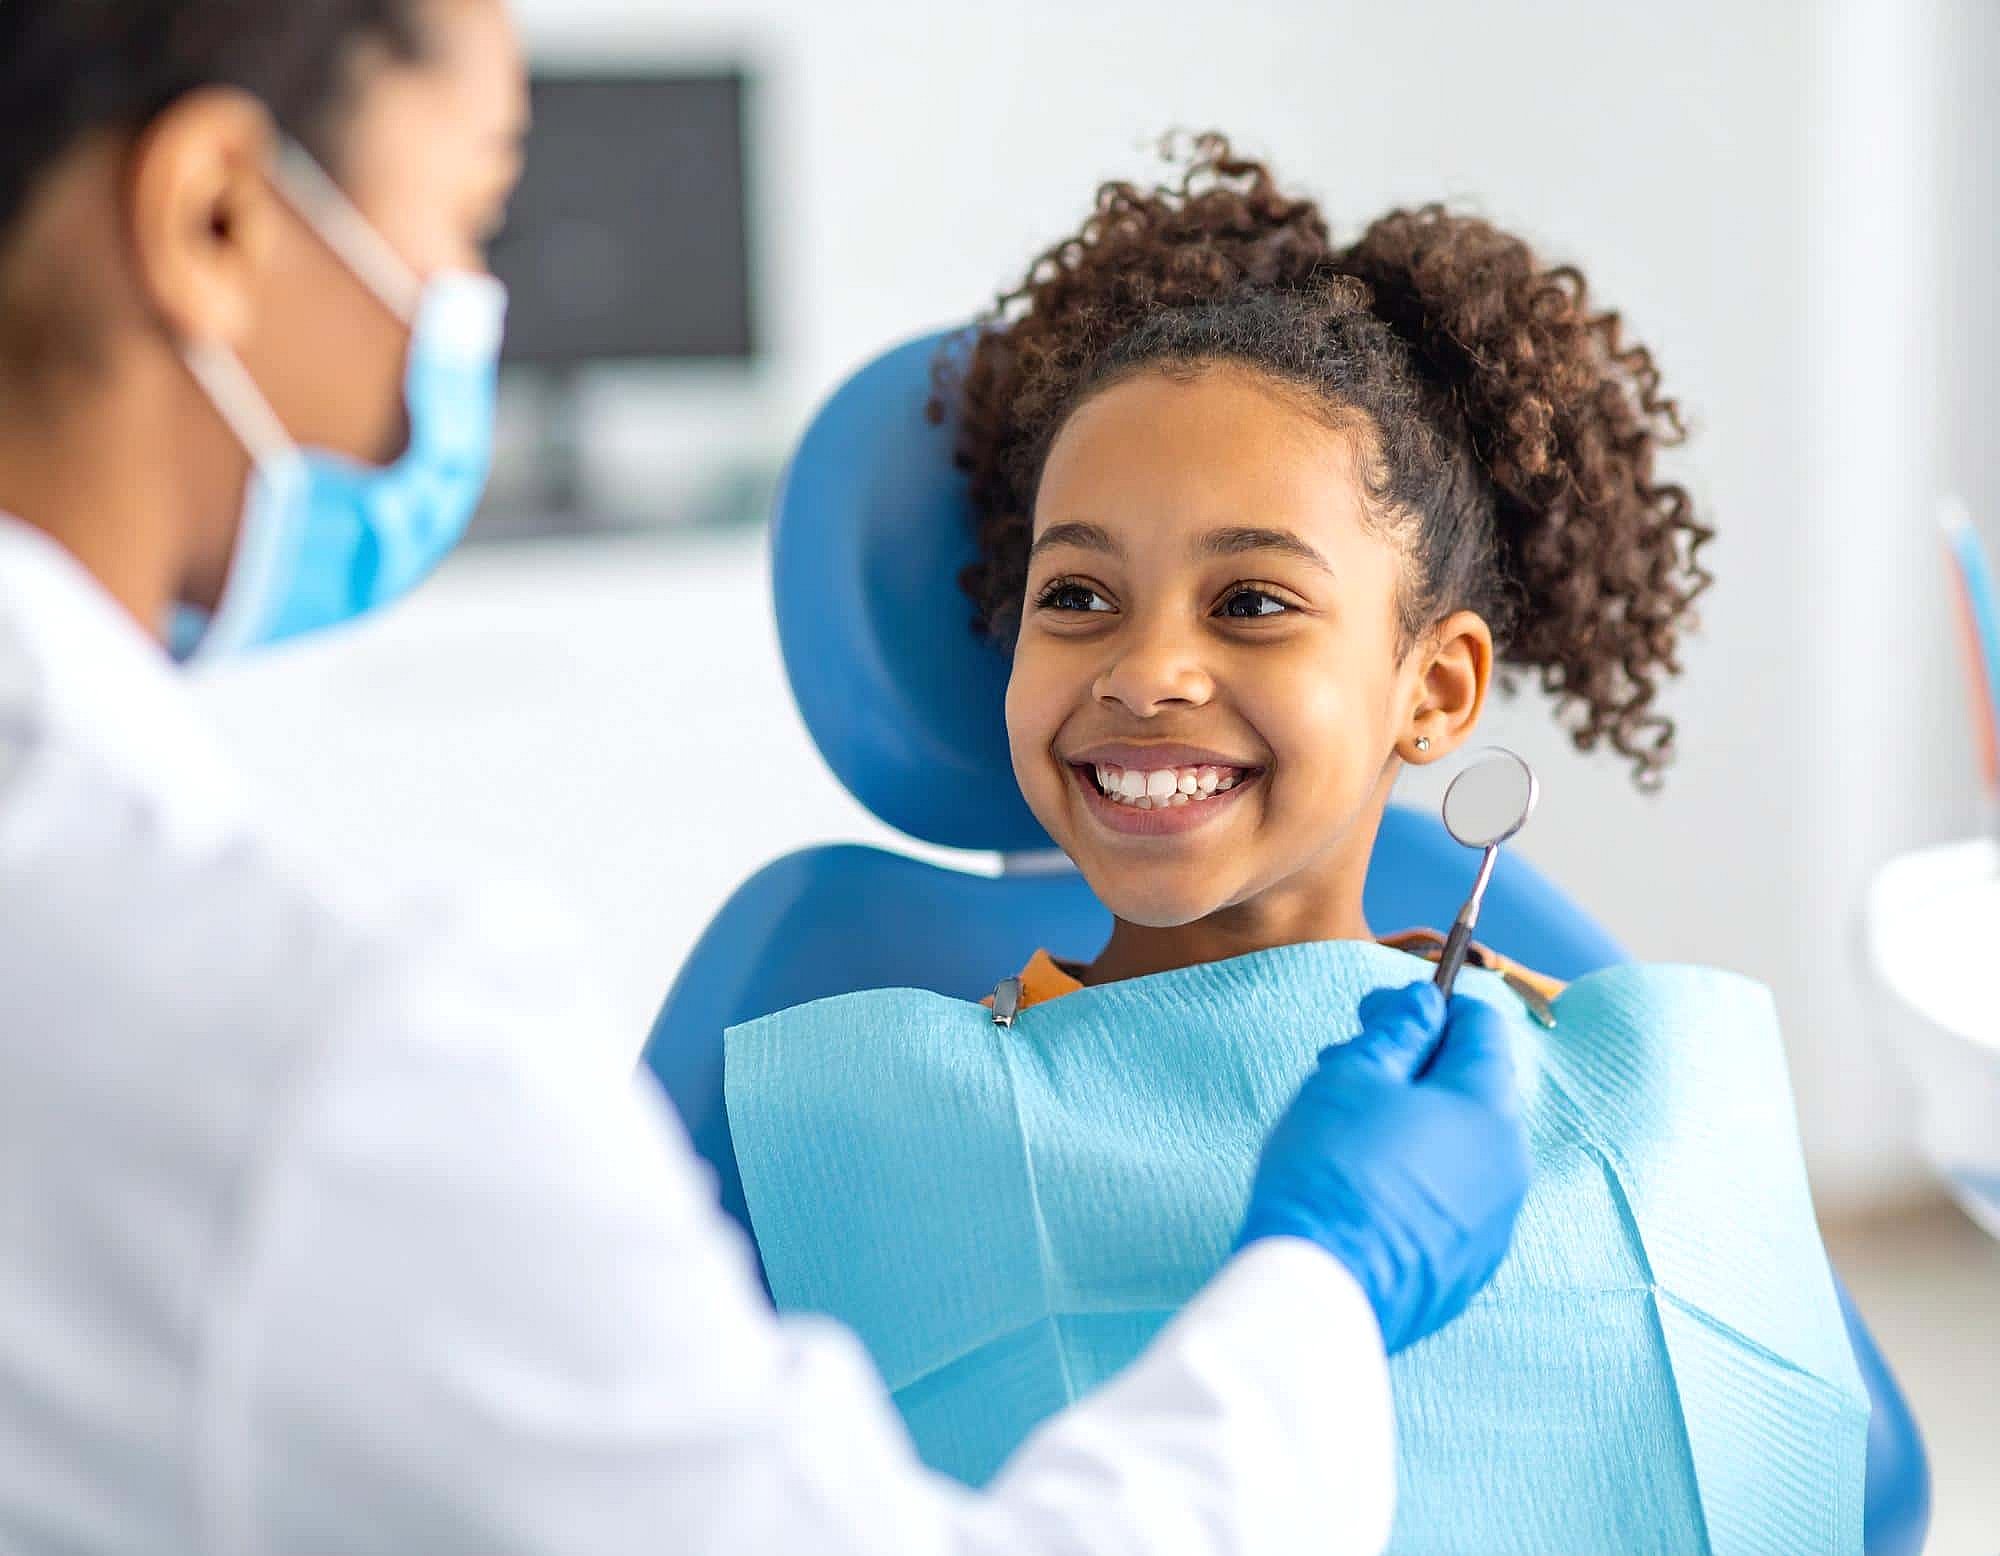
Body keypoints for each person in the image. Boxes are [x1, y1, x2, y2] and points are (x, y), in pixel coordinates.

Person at [0, 6, 1530, 1553]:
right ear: (212, 215)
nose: (1147, 674)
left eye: (1253, 602)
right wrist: (1330, 1278)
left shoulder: (1608, 1040)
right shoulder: (335, 1057)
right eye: (471, 218)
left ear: (1440, 687)